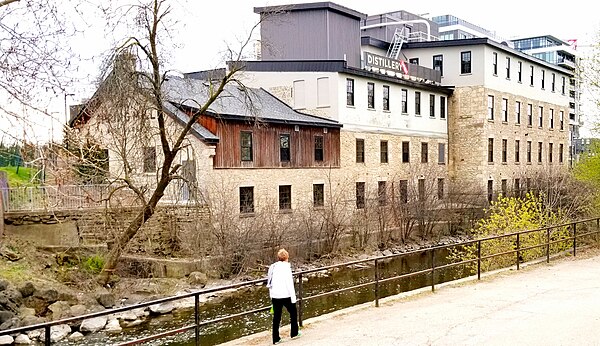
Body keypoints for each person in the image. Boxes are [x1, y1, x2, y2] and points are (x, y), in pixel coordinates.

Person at [267, 248, 300, 344]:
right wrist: (293, 298)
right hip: (285, 295)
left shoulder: (273, 267)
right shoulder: (286, 268)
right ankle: (294, 333)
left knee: (276, 317)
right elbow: (289, 284)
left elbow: (270, 282)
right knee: (293, 313)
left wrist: (271, 295)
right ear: (286, 258)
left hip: (275, 295)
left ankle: (276, 338)